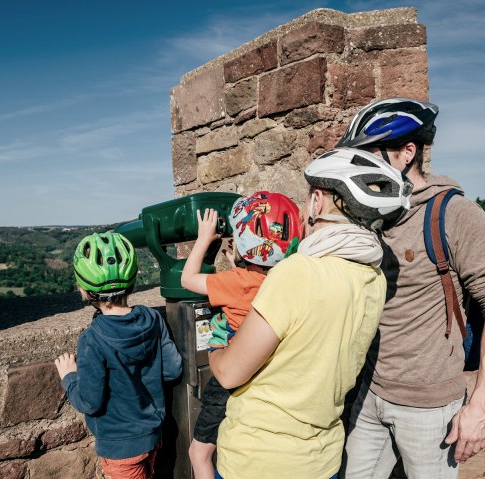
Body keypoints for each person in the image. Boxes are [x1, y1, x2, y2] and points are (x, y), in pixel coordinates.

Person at [208, 148, 413, 479]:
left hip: (259, 461)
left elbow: (230, 373)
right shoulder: (373, 277)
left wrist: (217, 346)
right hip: (322, 459)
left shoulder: (297, 272)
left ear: (317, 201)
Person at [338, 98, 485, 478]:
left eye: (370, 153)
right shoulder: (371, 215)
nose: (360, 166)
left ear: (407, 152)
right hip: (370, 393)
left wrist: (479, 408)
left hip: (430, 407)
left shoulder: (455, 214)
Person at [180, 191, 303, 479]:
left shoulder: (234, 282)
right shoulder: (289, 281)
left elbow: (187, 279)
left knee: (199, 454)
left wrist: (204, 238)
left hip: (228, 383)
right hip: (268, 375)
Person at [54, 232, 182, 479]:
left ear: (83, 290)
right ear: (134, 281)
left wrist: (69, 376)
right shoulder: (152, 318)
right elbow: (173, 370)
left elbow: (89, 402)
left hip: (120, 446)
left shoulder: (92, 339)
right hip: (153, 436)